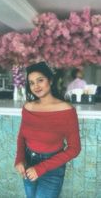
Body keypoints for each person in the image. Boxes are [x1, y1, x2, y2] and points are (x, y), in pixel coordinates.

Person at [15, 62, 81, 198]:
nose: (36, 86)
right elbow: (22, 136)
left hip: (52, 168)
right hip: (28, 163)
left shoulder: (67, 111)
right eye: (32, 83)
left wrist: (41, 168)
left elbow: (74, 148)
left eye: (40, 80)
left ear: (50, 80)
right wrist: (19, 159)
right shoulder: (28, 107)